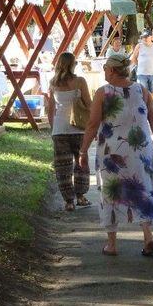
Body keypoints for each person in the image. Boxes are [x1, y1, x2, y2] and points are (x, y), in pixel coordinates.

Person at [79, 53, 153, 257]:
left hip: (113, 152)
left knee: (111, 192)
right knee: (142, 187)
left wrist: (83, 150)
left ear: (113, 70)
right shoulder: (141, 89)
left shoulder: (103, 92)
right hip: (141, 148)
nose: (104, 71)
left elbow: (92, 124)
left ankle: (112, 244)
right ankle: (148, 235)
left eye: (106, 67)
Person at [48, 52, 92, 212]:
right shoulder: (80, 81)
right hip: (79, 129)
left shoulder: (53, 82)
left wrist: (54, 130)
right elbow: (89, 104)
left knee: (62, 167)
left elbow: (50, 110)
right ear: (73, 64)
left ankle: (69, 201)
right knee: (81, 163)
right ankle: (80, 196)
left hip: (59, 129)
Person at [130, 30, 153, 106]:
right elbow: (134, 58)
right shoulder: (139, 46)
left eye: (146, 37)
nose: (144, 39)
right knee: (143, 91)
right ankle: (144, 106)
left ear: (150, 37)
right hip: (142, 73)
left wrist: (152, 64)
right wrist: (140, 65)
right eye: (143, 37)